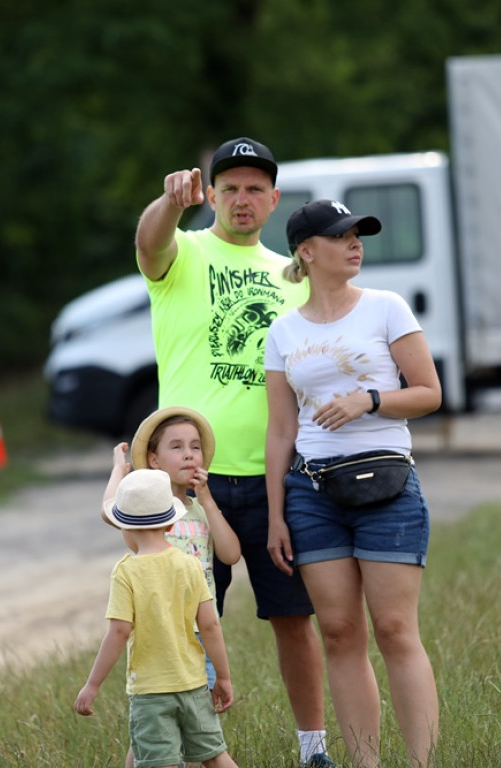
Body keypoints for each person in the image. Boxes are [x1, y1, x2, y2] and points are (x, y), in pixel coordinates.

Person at [135, 137, 334, 767]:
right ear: (211, 195)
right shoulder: (185, 252)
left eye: (255, 189)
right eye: (230, 188)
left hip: (277, 479)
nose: (242, 199)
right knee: (186, 625)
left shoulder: (292, 278)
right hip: (192, 484)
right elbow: (148, 242)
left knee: (294, 618)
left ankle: (313, 750)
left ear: (274, 200)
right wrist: (169, 205)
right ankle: (188, 752)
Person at [263, 199, 442, 768]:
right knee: (339, 633)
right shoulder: (282, 332)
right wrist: (274, 517)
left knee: (393, 629)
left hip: (388, 486)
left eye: (358, 233)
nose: (355, 242)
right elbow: (281, 430)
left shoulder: (387, 308)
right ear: (307, 252)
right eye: (341, 236)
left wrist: (369, 400)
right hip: (312, 494)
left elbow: (429, 393)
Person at [102, 406, 242, 768]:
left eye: (195, 447)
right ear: (154, 460)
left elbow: (230, 554)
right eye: (177, 447)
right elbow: (110, 509)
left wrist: (208, 500)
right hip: (157, 637)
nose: (189, 454)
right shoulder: (143, 520)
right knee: (151, 727)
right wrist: (121, 471)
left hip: (198, 637)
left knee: (182, 728)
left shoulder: (199, 510)